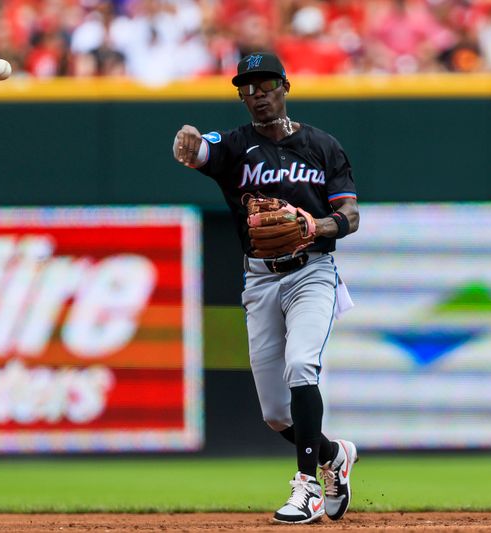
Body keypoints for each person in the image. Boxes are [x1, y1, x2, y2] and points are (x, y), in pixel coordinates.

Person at [172, 52, 360, 524]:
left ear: (285, 86)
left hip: (312, 272)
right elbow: (200, 151)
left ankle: (307, 489)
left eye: (266, 84)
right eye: (247, 87)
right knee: (277, 415)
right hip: (259, 279)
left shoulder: (323, 146)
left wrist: (314, 226)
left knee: (301, 365)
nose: (257, 94)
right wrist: (189, 142)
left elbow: (350, 217)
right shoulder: (236, 147)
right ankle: (334, 455)